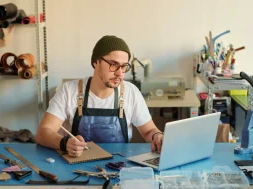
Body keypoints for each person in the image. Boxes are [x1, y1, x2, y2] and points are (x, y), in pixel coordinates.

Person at [35, 35, 164, 158]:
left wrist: (157, 136)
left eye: (124, 66)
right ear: (96, 62)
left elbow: (149, 131)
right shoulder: (69, 91)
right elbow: (43, 133)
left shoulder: (131, 92)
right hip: (75, 165)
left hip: (119, 165)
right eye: (113, 64)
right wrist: (64, 143)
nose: (120, 73)